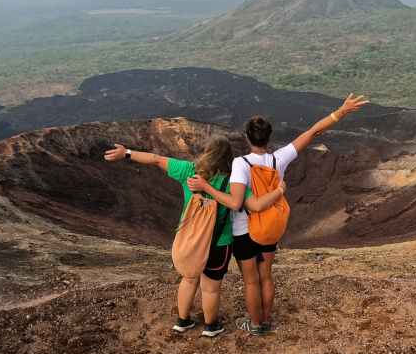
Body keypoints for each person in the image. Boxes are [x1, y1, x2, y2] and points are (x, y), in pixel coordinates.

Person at [188, 93, 369, 336]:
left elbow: (234, 203)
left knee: (251, 281)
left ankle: (255, 325)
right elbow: (313, 132)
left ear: (247, 137)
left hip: (244, 231)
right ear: (268, 137)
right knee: (266, 277)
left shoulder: (241, 164)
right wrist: (342, 110)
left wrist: (206, 188)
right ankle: (266, 320)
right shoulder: (278, 159)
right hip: (270, 229)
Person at [103, 135, 285, 338]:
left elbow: (155, 159)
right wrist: (279, 191)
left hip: (191, 240)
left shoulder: (189, 170)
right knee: (211, 288)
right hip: (220, 243)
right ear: (228, 158)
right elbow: (257, 205)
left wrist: (126, 153)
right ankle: (211, 327)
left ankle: (182, 321)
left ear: (207, 152)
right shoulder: (233, 181)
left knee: (189, 279)